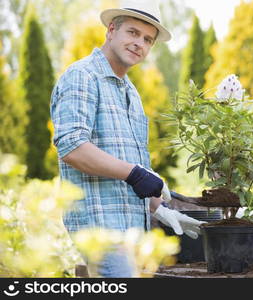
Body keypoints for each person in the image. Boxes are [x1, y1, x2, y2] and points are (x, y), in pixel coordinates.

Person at [50, 0, 204, 277]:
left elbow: (128, 164)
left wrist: (159, 208)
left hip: (131, 228)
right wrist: (135, 174)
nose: (139, 44)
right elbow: (71, 146)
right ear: (111, 30)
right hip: (100, 226)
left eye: (147, 40)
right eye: (132, 33)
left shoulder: (130, 91)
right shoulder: (82, 76)